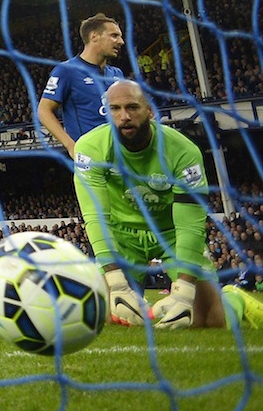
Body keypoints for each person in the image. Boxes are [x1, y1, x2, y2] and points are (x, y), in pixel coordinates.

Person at [73, 80, 263, 329]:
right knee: (108, 317)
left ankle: (234, 298)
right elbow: (96, 216)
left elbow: (189, 225)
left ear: (150, 111)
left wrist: (184, 292)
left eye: (132, 107)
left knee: (209, 320)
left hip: (171, 233)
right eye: (115, 109)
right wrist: (116, 282)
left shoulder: (183, 152)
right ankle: (130, 294)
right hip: (121, 237)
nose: (124, 116)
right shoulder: (90, 148)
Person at [38, 12, 126, 159]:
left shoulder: (117, 73)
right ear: (94, 37)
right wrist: (70, 145)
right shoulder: (66, 71)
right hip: (91, 158)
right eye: (114, 36)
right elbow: (43, 110)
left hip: (122, 155)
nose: (121, 41)